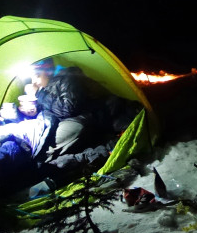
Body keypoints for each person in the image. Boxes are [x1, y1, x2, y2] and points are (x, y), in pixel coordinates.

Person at [23, 58, 141, 194]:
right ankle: (40, 165)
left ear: (48, 72)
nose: (34, 81)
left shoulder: (66, 80)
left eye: (37, 76)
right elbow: (53, 111)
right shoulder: (47, 88)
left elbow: (68, 108)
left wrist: (39, 94)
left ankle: (46, 169)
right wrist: (31, 110)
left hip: (83, 121)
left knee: (63, 140)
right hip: (59, 123)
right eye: (32, 77)